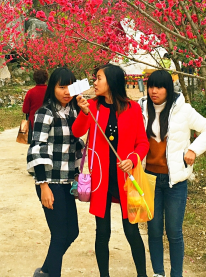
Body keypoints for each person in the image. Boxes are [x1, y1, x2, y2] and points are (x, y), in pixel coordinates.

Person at [138, 69, 206, 277]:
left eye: (159, 87)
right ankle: (158, 273)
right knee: (154, 231)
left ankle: (176, 274)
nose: (154, 91)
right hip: (150, 180)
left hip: (175, 182)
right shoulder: (141, 108)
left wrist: (193, 150)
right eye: (151, 86)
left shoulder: (183, 110)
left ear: (168, 89)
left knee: (174, 232)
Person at [74, 64, 150, 277]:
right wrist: (83, 112)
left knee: (131, 231)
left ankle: (142, 275)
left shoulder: (132, 108)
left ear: (112, 81)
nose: (95, 82)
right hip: (101, 179)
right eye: (95, 78)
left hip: (125, 179)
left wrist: (133, 159)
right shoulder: (92, 106)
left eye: (99, 78)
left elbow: (143, 143)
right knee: (102, 232)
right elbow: (77, 131)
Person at [26, 68, 83, 277]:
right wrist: (43, 186)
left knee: (72, 232)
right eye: (61, 87)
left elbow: (76, 144)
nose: (67, 92)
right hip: (50, 181)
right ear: (53, 88)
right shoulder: (45, 113)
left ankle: (44, 271)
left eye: (70, 87)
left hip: (66, 182)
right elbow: (37, 148)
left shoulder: (74, 112)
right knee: (59, 234)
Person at [23, 69, 48, 141]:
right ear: (46, 78)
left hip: (33, 122)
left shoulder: (30, 92)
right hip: (49, 121)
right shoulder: (50, 91)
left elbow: (25, 110)